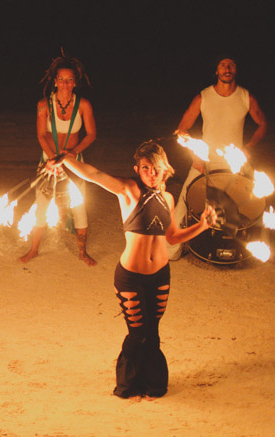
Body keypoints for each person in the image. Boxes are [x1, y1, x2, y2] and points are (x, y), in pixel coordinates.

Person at [48, 140, 216, 398]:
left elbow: (171, 237)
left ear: (165, 169)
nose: (151, 173)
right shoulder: (129, 190)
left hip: (160, 276)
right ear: (137, 169)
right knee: (137, 335)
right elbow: (94, 175)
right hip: (130, 278)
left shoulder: (169, 199)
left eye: (156, 168)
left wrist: (203, 225)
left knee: (153, 333)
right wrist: (65, 159)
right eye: (146, 168)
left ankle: (154, 385)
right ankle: (127, 386)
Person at [169, 56, 267, 259]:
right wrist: (196, 155)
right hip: (205, 162)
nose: (227, 68)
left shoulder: (245, 97)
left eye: (231, 64)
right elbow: (182, 129)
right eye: (222, 65)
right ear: (216, 71)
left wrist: (249, 146)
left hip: (234, 165)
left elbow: (263, 124)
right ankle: (172, 251)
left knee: (251, 205)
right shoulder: (203, 97)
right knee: (184, 203)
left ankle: (244, 251)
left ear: (236, 70)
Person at [19, 54, 97, 265]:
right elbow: (41, 135)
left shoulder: (84, 106)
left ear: (75, 82)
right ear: (54, 81)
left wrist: (73, 153)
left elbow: (91, 134)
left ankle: (82, 252)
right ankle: (33, 249)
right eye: (61, 79)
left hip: (74, 163)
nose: (65, 83)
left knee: (78, 206)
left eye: (69, 79)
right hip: (49, 160)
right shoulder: (44, 105)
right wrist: (52, 159)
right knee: (41, 205)